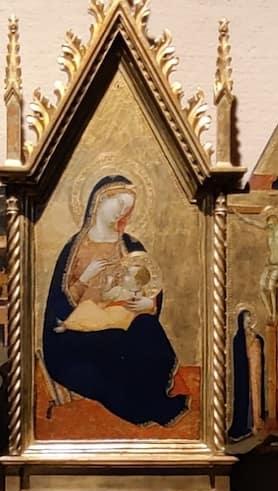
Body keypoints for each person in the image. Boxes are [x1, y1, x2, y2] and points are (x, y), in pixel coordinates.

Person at [42, 174, 189, 426]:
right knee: (115, 343)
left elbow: (150, 283)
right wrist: (85, 278)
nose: (122, 212)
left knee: (147, 328)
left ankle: (153, 399)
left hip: (120, 321)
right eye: (119, 204)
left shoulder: (131, 245)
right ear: (100, 199)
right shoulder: (74, 247)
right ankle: (140, 409)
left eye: (128, 208)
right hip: (77, 333)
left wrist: (149, 305)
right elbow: (58, 306)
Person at [228, 306, 266, 442]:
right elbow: (240, 358)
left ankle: (255, 423)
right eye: (246, 318)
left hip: (255, 373)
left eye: (250, 318)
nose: (249, 321)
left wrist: (256, 340)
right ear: (241, 321)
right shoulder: (238, 339)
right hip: (244, 375)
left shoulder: (255, 335)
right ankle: (243, 427)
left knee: (255, 397)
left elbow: (260, 347)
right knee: (243, 398)